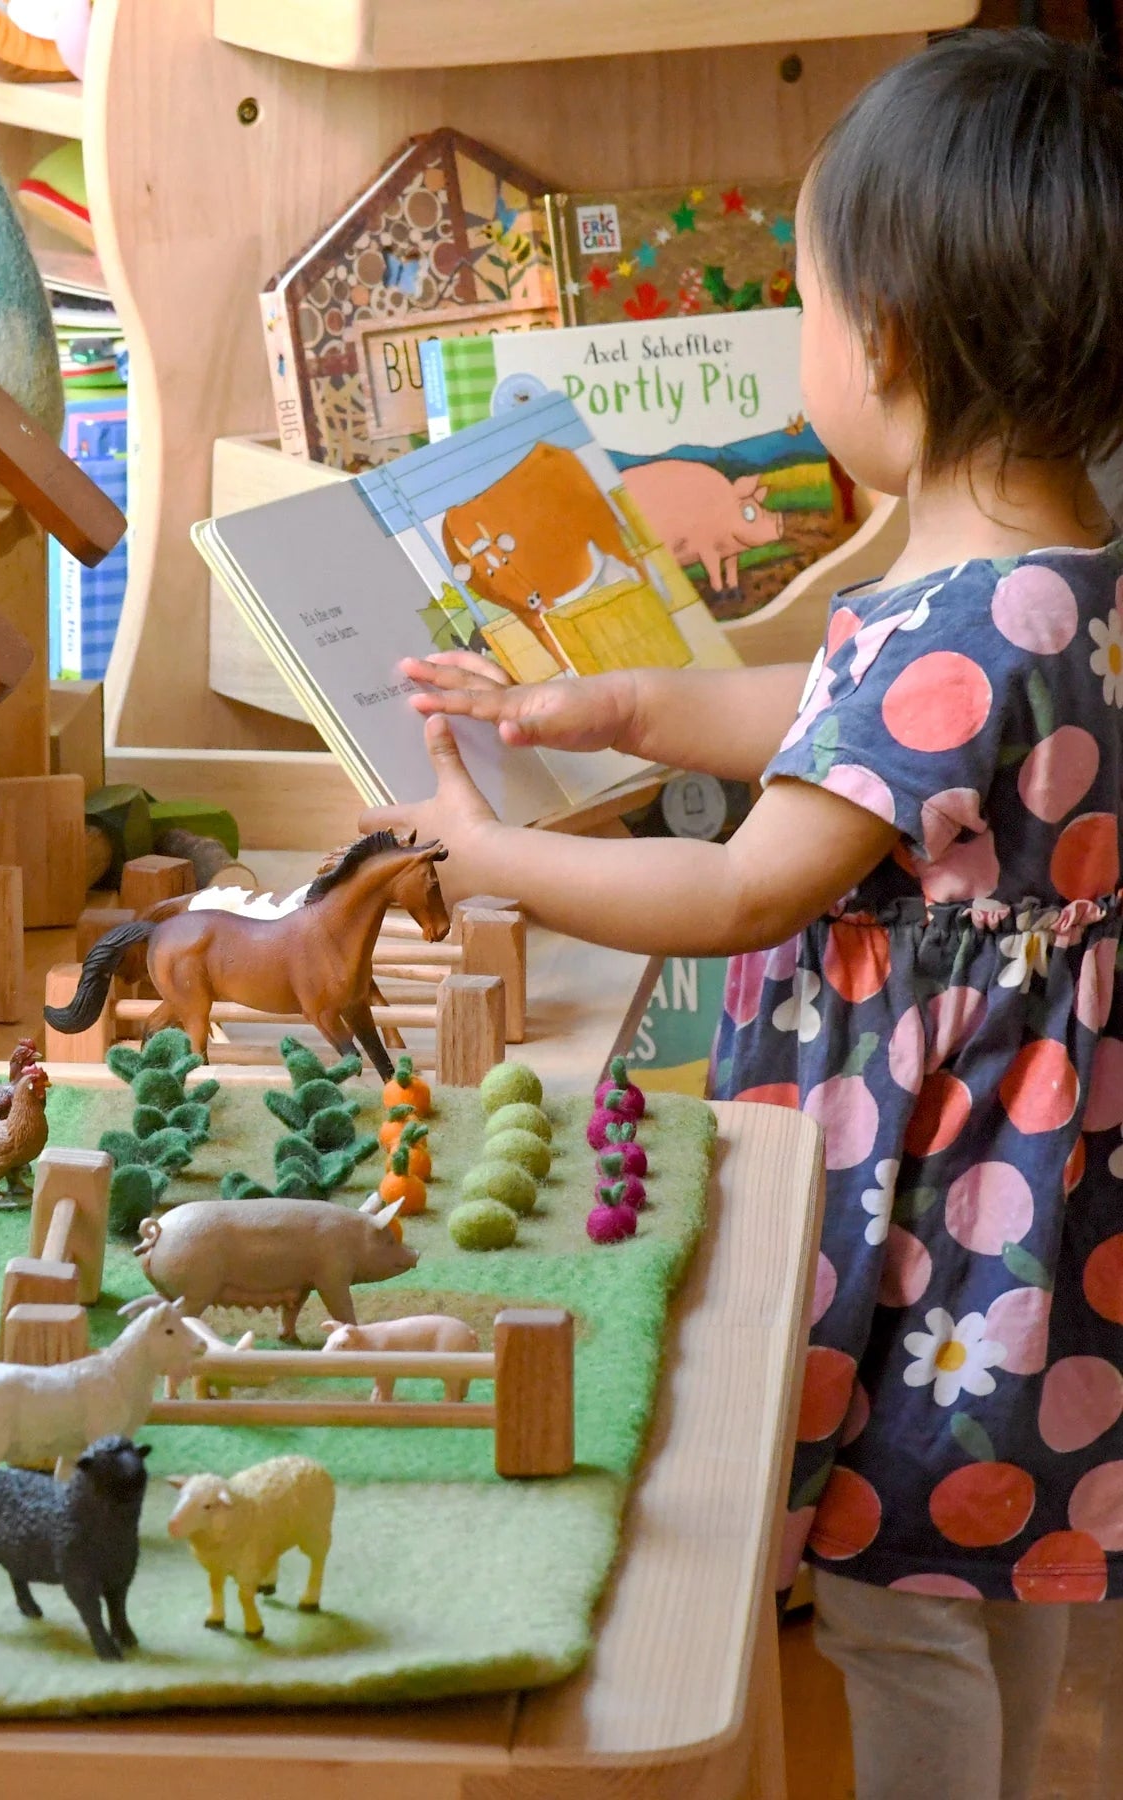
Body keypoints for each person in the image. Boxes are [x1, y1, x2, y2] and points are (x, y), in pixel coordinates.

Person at [364, 31, 1123, 1800]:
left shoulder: (959, 620)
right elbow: (838, 719)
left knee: (893, 1593)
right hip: (1046, 1182)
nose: (800, 343)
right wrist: (615, 711)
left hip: (938, 1191)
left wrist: (484, 856)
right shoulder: (1048, 581)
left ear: (897, 344)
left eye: (802, 302)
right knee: (999, 1553)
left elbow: (735, 884)